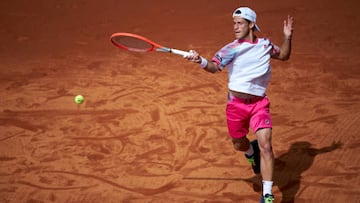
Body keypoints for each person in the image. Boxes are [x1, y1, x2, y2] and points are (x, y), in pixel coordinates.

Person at [186, 7, 293, 203]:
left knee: (267, 146)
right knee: (238, 144)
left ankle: (267, 194)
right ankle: (250, 152)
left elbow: (284, 55)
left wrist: (287, 37)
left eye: (240, 23)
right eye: (234, 23)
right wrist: (199, 60)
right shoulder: (231, 48)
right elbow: (214, 67)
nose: (235, 27)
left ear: (251, 24)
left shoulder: (265, 45)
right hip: (236, 106)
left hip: (260, 104)